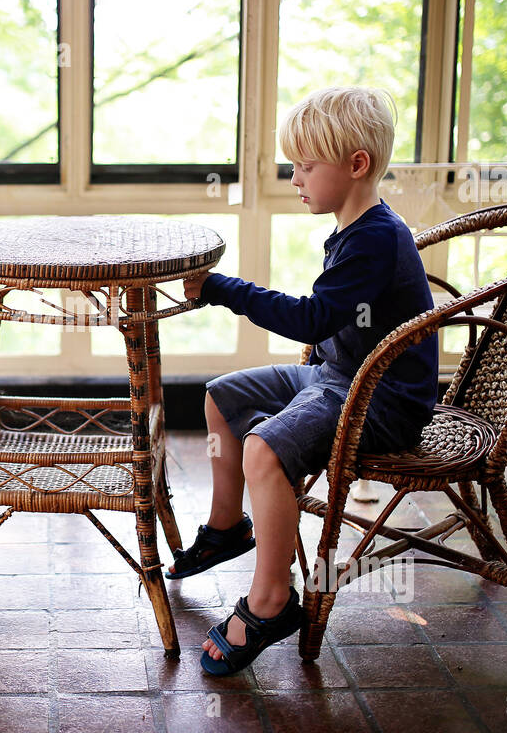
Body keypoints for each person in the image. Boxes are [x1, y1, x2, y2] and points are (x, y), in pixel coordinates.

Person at [169, 86, 439, 676]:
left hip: (382, 399)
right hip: (339, 375)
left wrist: (221, 289)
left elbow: (313, 315)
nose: (295, 178)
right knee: (221, 396)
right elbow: (338, 323)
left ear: (356, 165)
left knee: (263, 448)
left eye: (306, 166)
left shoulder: (373, 237)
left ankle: (271, 600)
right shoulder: (353, 227)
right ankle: (225, 527)